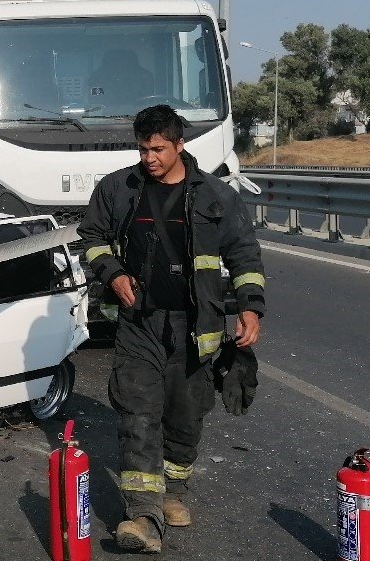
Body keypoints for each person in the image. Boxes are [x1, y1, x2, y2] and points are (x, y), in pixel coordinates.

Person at [77, 104, 265, 554]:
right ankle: (143, 515)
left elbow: (244, 255)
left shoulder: (216, 196)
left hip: (196, 326)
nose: (149, 158)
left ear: (180, 145)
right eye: (143, 149)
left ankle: (173, 491)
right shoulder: (118, 188)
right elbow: (92, 238)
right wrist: (113, 274)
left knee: (186, 414)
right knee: (138, 412)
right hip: (139, 323)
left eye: (158, 149)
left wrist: (251, 309)